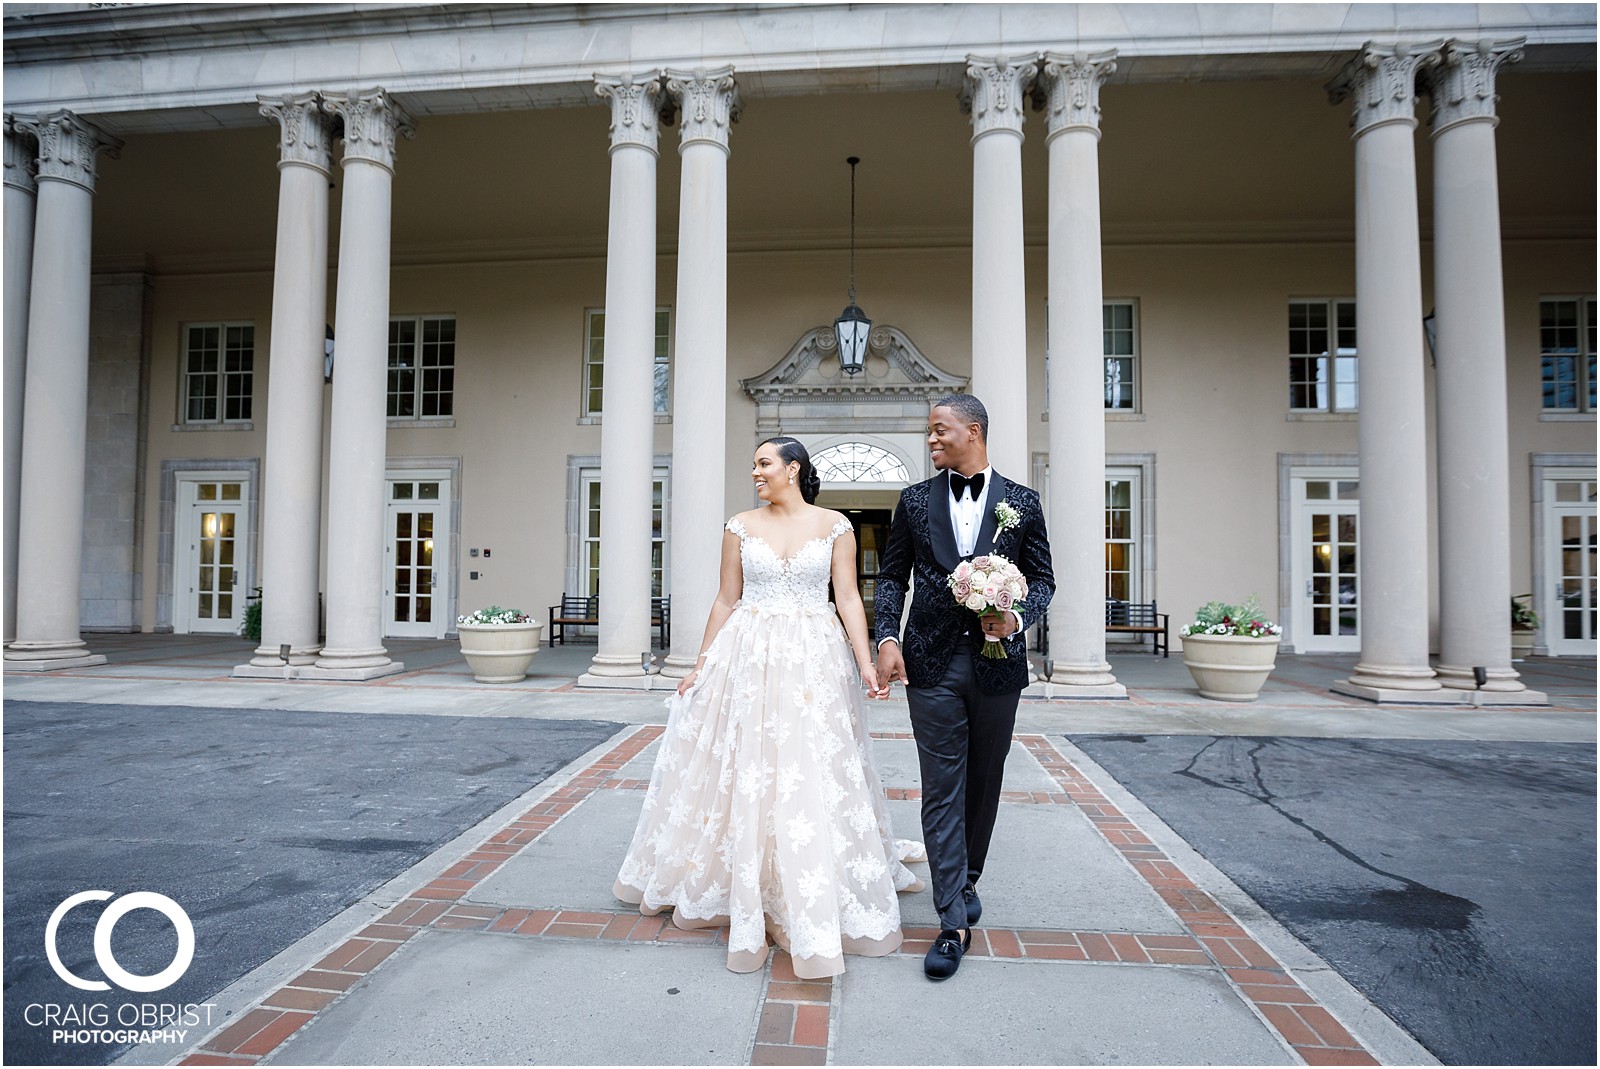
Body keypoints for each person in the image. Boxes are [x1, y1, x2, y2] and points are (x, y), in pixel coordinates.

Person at [614, 435, 925, 979]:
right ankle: (747, 880)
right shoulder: (739, 525)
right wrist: (701, 663)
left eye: (764, 463)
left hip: (814, 659)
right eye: (754, 465)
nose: (755, 473)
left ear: (793, 468)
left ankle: (799, 882)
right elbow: (726, 599)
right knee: (749, 765)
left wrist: (866, 664)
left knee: (809, 761)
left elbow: (848, 597)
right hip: (749, 654)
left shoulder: (835, 526)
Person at [873, 393, 1054, 981]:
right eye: (929, 432)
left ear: (972, 431)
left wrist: (1018, 616)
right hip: (929, 664)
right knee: (941, 784)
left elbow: (1045, 580)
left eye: (939, 430)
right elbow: (891, 577)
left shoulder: (1022, 502)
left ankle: (967, 876)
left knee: (985, 777)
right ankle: (951, 920)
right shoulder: (913, 501)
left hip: (998, 667)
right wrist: (886, 640)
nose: (930, 440)